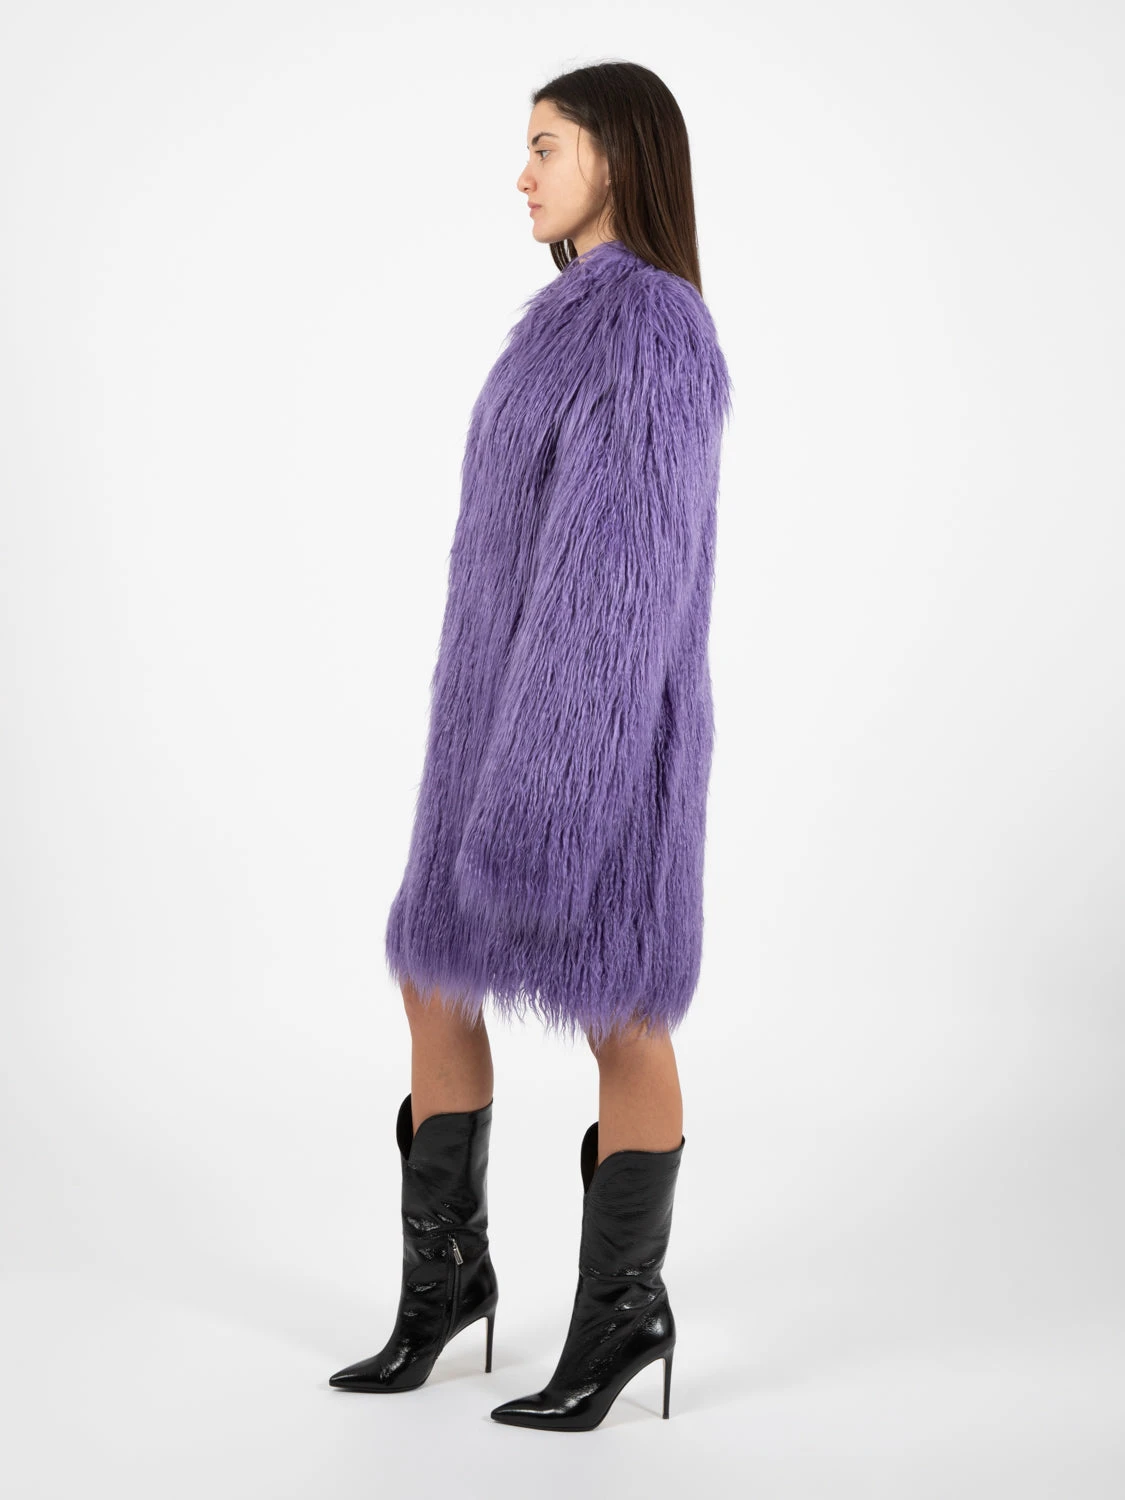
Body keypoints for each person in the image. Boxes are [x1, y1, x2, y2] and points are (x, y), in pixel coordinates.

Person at [329, 61, 732, 1431]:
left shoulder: (650, 329)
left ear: (618, 155)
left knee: (623, 1003)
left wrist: (550, 791)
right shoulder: (562, 323)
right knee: (434, 972)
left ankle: (622, 1315)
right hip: (491, 727)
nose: (523, 173)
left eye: (546, 146)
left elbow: (614, 582)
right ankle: (448, 1284)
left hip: (592, 738)